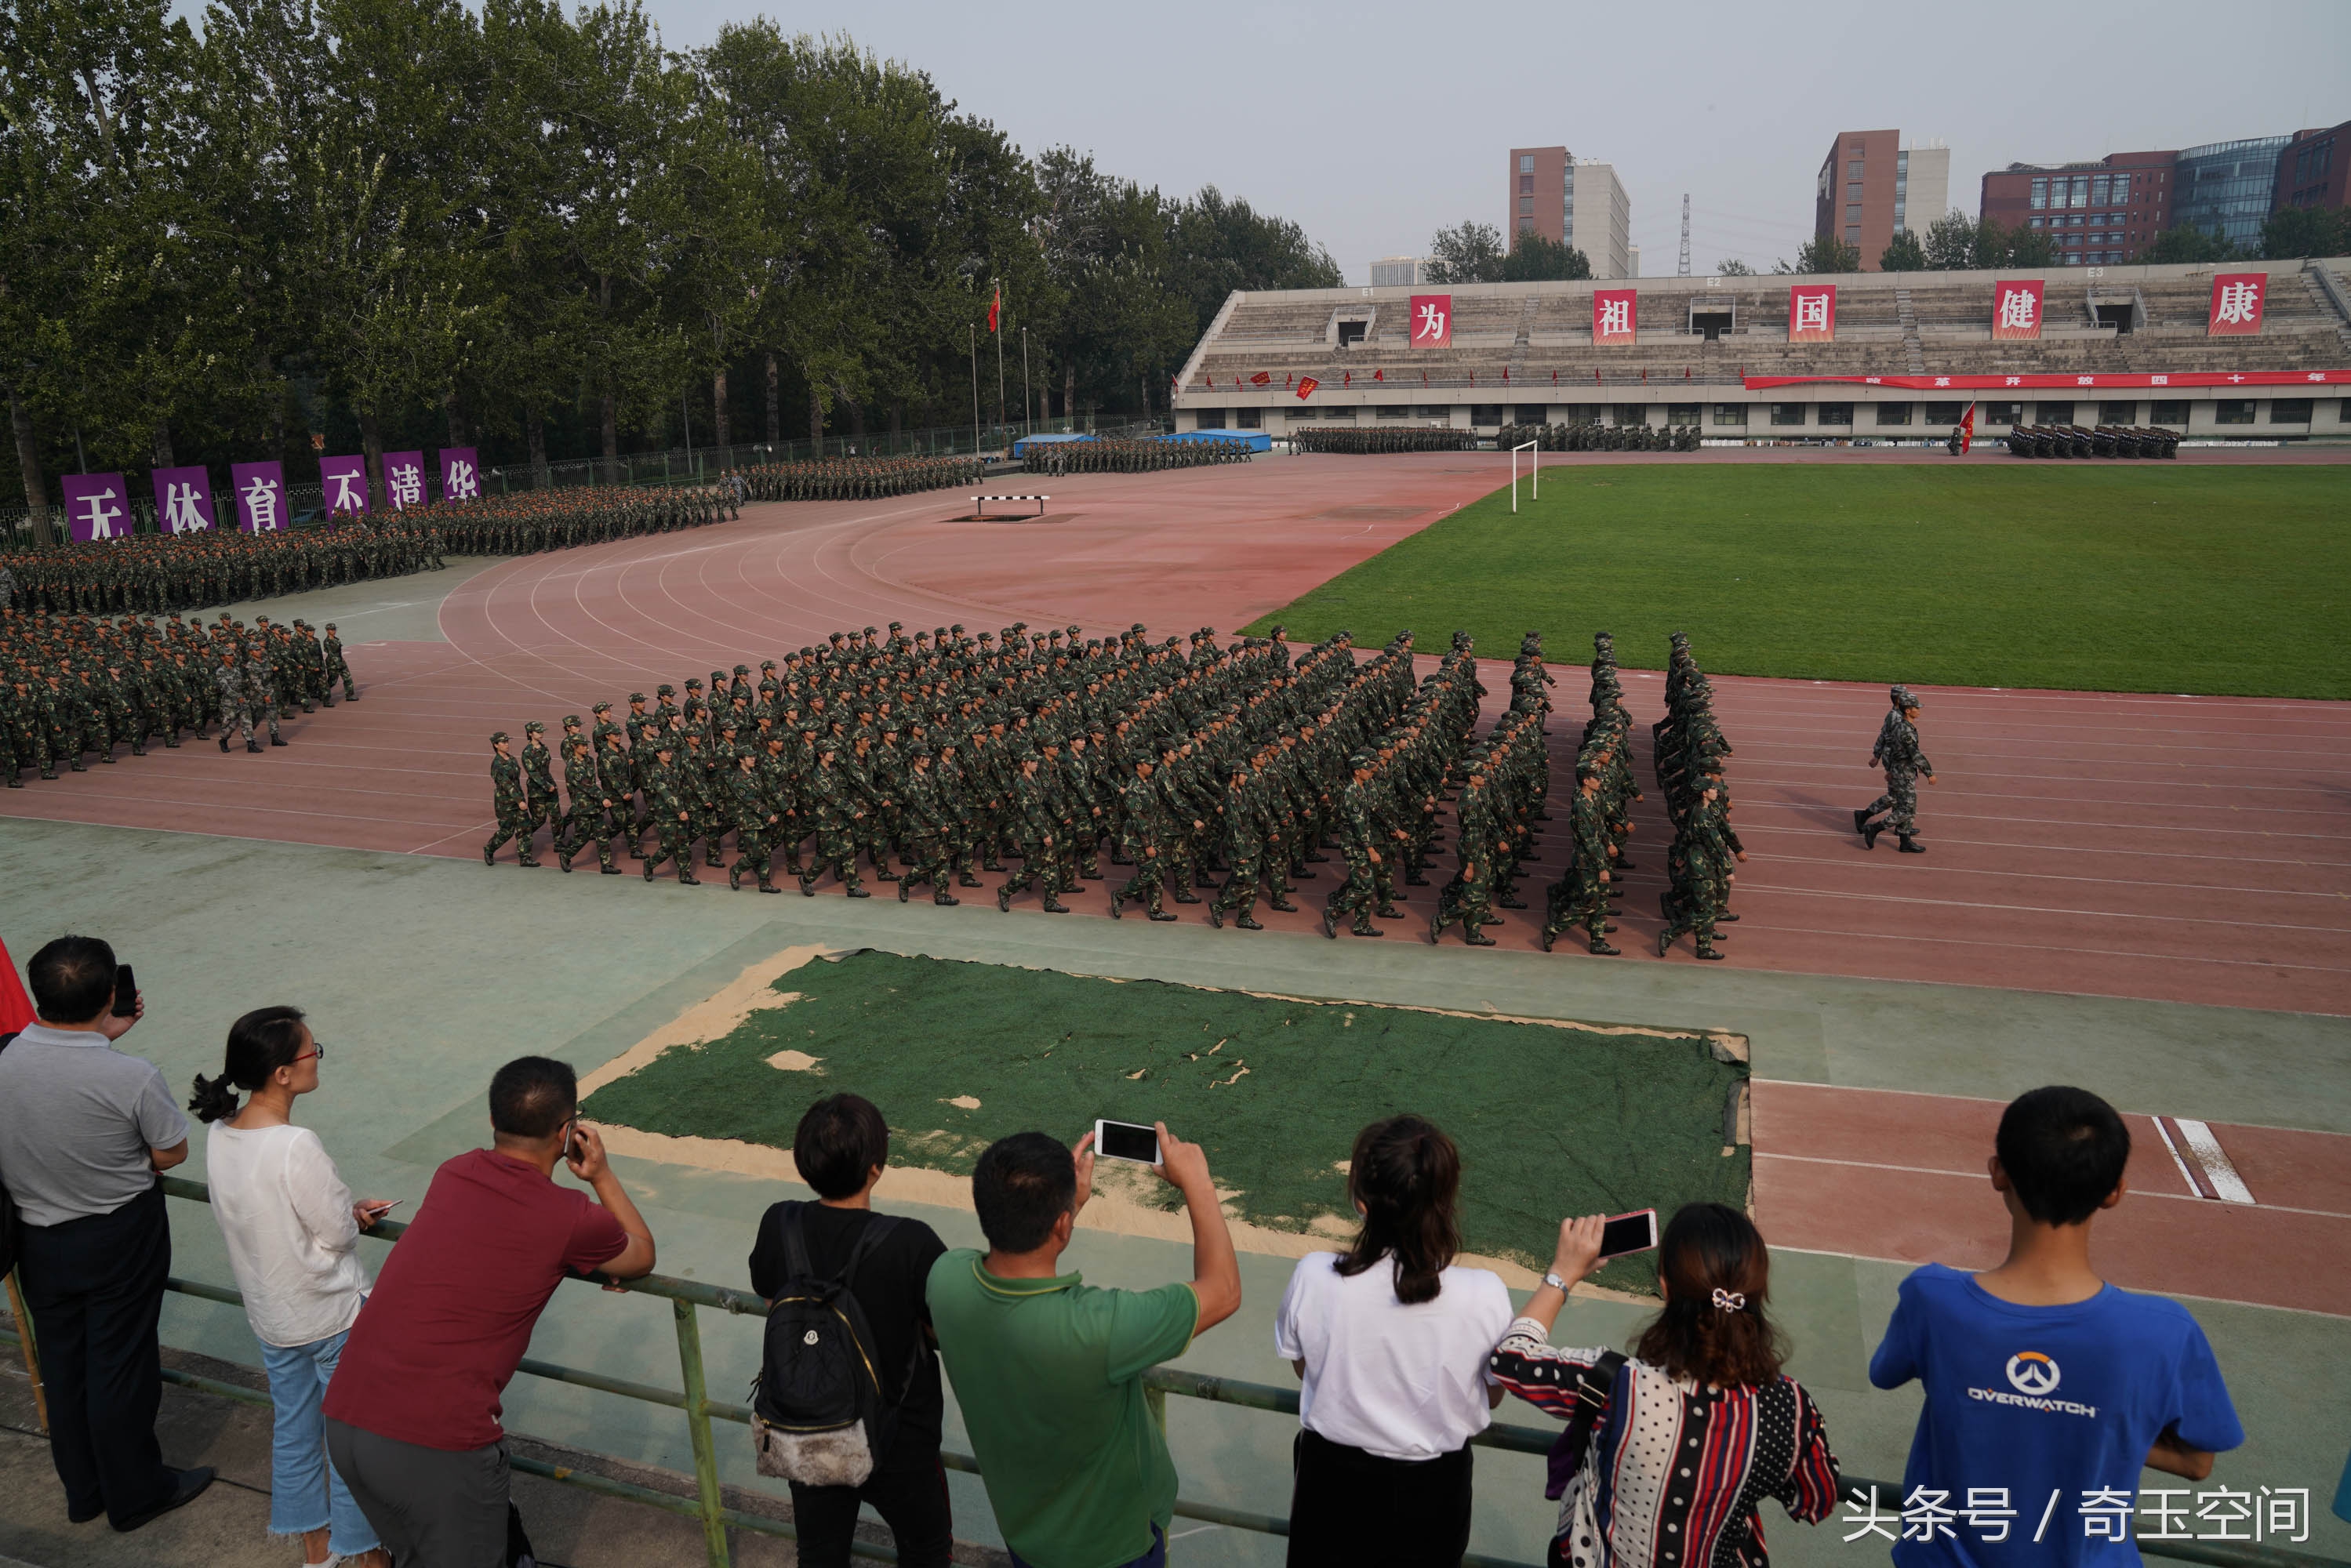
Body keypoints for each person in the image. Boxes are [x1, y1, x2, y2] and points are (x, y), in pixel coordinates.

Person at [1868, 1087, 2242, 1568]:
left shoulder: (1932, 1299)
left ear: (1998, 1172)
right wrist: (2090, 1419)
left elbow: (1886, 1371)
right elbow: (2196, 1461)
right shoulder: (2165, 1331)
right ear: (2114, 1192)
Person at [322, 1057, 656, 1563]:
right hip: (433, 1442)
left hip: (348, 1422)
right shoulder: (571, 1217)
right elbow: (640, 1254)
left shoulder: (452, 1172)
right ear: (567, 1133)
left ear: (493, 1122)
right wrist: (601, 1176)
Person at [927, 1125, 1241, 1568]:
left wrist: (1066, 1209)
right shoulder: (1099, 1327)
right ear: (1061, 1224)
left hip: (1027, 1539)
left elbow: (1004, 1267)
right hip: (1116, 1549)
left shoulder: (946, 1279)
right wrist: (1197, 1181)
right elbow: (1224, 1290)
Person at [0, 935, 216, 1530]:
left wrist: (99, 1034)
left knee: (64, 1368)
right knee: (120, 1368)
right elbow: (170, 1152)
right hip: (118, 1237)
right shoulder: (134, 1077)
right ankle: (137, 1493)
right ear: (108, 996)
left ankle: (85, 1491)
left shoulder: (5, 1056)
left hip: (38, 1240)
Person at [1489, 1203, 1841, 1568]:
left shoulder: (1616, 1384)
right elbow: (1816, 1500)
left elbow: (1509, 1359)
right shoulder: (1790, 1407)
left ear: (1665, 1287)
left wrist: (1563, 1273)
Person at [190, 1007, 390, 1568]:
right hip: (331, 1314)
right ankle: (366, 1550)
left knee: (295, 1430)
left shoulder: (220, 1134)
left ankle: (316, 1547)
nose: (315, 1057)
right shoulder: (295, 1144)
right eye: (311, 1050)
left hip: (272, 1314)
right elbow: (337, 1234)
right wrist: (353, 1217)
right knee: (351, 1439)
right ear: (282, 1073)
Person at [1274, 1116, 1513, 1567]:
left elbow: (1304, 1366)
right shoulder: (1486, 1293)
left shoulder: (1313, 1275)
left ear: (1362, 1203)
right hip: (1434, 1496)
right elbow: (1495, 1393)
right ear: (1445, 1203)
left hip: (1331, 1486)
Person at [748, 1094, 950, 1567]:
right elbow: (943, 1326)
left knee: (820, 1554)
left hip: (810, 1426)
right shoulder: (912, 1241)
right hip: (901, 1439)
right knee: (926, 1551)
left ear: (804, 1164)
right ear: (876, 1168)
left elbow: (767, 1293)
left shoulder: (780, 1222)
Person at [1856, 686, 1935, 853]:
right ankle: (1872, 823)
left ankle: (1903, 834)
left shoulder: (1902, 719)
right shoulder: (1895, 718)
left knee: (1900, 800)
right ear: (1901, 703)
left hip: (1898, 763)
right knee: (1902, 803)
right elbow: (1886, 738)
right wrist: (1880, 758)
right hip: (1898, 763)